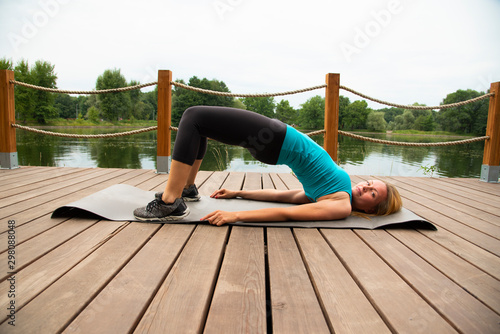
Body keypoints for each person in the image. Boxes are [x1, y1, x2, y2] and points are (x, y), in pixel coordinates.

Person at [133, 106, 402, 225]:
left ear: (372, 209)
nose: (365, 187)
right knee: (200, 126)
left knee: (193, 117)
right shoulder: (334, 193)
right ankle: (187, 190)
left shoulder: (341, 205)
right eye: (370, 184)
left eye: (372, 194)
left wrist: (236, 215)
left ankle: (170, 202)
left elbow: (288, 215)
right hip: (275, 143)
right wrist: (239, 193)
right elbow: (288, 198)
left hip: (276, 138)